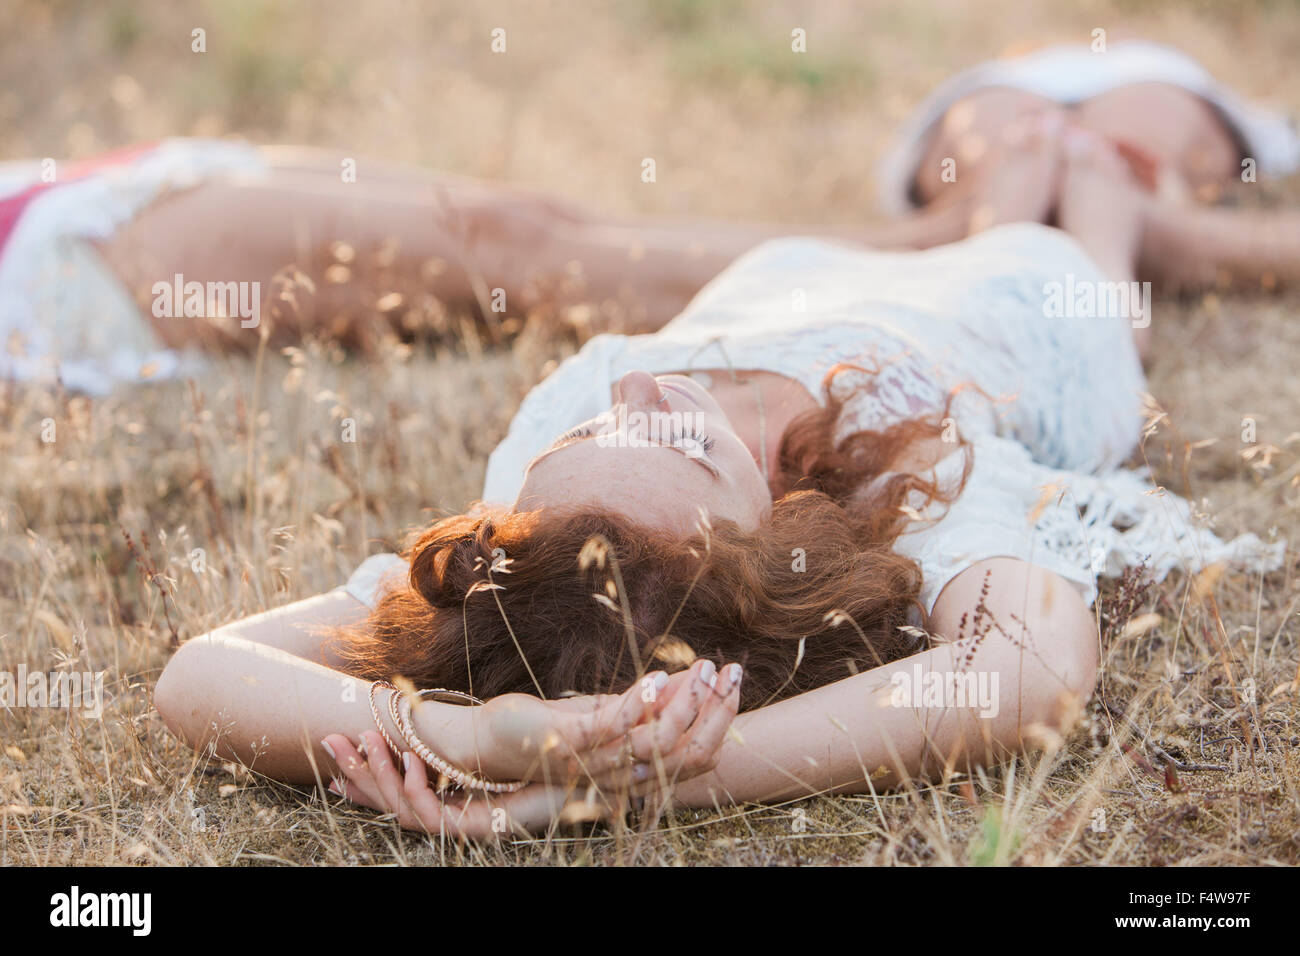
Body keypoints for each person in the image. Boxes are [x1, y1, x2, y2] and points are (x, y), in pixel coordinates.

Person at [154, 130, 1284, 836]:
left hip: (806, 278)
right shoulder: (905, 479)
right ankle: (1120, 230)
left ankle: (1045, 194)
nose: (642, 384)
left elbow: (198, 670)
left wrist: (485, 738)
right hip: (1035, 307)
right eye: (687, 446)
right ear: (766, 543)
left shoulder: (539, 529)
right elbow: (1028, 672)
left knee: (1015, 144)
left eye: (600, 423)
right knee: (1080, 212)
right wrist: (642, 780)